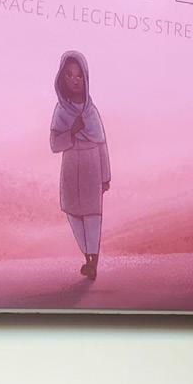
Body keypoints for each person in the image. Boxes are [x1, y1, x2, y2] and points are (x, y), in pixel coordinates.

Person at [50, 50, 111, 280]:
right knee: (73, 214)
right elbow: (54, 144)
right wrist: (71, 132)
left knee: (93, 214)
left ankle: (93, 261)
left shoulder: (92, 112)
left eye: (79, 76)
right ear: (61, 78)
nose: (74, 80)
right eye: (69, 75)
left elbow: (102, 144)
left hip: (92, 165)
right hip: (70, 166)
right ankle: (88, 258)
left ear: (86, 78)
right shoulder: (60, 111)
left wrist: (105, 176)